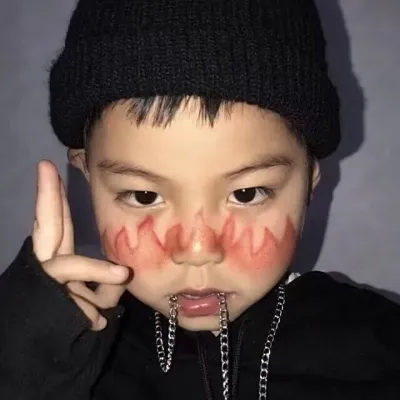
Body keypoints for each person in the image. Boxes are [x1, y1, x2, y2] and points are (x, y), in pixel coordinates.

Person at [0, 0, 399, 399]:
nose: (196, 251)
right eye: (144, 196)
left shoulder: (380, 352)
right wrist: (24, 367)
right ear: (87, 175)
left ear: (310, 178)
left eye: (246, 194)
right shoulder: (63, 351)